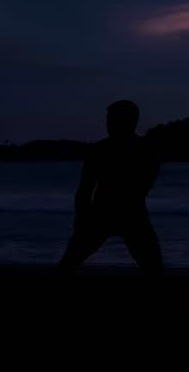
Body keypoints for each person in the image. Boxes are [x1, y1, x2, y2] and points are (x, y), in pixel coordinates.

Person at [58, 100, 164, 275]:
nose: (108, 124)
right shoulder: (142, 150)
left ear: (131, 122)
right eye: (108, 120)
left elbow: (85, 190)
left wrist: (81, 219)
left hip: (114, 212)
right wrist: (81, 219)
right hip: (120, 213)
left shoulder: (138, 150)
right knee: (153, 268)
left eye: (112, 120)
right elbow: (85, 189)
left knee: (68, 264)